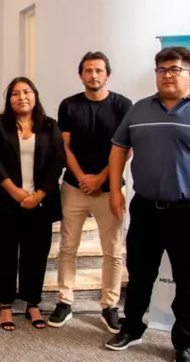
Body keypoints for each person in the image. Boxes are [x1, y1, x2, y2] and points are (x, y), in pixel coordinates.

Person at [105, 47, 190, 362]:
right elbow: (118, 149)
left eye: (174, 69)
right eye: (162, 70)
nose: (167, 75)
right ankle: (132, 328)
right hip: (146, 209)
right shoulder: (139, 110)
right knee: (139, 275)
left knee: (189, 282)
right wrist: (115, 190)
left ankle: (185, 342)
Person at [48, 52, 132, 333]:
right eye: (88, 70)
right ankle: (65, 301)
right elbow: (65, 147)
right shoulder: (69, 105)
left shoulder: (123, 105)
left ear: (107, 74)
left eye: (98, 70)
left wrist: (100, 179)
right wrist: (84, 178)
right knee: (67, 247)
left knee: (113, 251)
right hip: (75, 187)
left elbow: (125, 149)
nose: (93, 75)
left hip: (111, 188)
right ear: (80, 75)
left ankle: (110, 305)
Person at [0, 77, 65, 331]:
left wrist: (38, 195)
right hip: (4, 202)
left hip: (40, 203)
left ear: (35, 95)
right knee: (4, 254)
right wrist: (16, 192)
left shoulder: (49, 125)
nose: (21, 97)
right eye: (15, 93)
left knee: (35, 255)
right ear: (9, 100)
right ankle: (5, 305)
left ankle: (32, 303)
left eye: (26, 92)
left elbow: (57, 161)